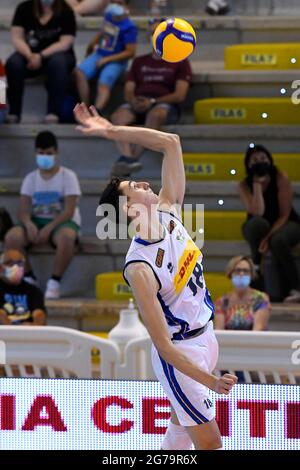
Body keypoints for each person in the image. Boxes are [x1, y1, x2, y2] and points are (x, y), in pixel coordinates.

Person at [74, 103, 237, 450]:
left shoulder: (169, 210)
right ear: (131, 209)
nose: (147, 182)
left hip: (206, 338)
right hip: (180, 356)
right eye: (136, 186)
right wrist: (209, 381)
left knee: (180, 432)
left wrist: (111, 131)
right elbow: (162, 344)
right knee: (211, 444)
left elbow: (170, 141)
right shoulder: (140, 268)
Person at [5, 131, 81, 300]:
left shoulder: (68, 176)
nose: (44, 157)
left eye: (49, 153)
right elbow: (23, 210)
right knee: (12, 237)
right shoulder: (30, 179)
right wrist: (29, 224)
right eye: (41, 153)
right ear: (35, 153)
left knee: (67, 238)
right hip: (36, 221)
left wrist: (50, 226)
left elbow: (69, 210)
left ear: (56, 153)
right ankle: (28, 277)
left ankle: (55, 281)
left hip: (62, 222)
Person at [111, 17, 192, 176]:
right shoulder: (139, 61)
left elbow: (180, 95)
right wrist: (133, 101)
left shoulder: (180, 61)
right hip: (140, 101)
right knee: (118, 116)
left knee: (156, 115)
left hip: (163, 104)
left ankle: (131, 158)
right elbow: (129, 89)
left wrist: (153, 101)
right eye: (152, 33)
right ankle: (128, 158)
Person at [239, 144, 300, 303]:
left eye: (263, 159)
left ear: (270, 160)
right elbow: (257, 212)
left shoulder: (280, 176)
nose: (260, 162)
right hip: (258, 227)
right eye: (255, 160)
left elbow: (284, 214)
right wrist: (257, 185)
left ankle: (296, 287)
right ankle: (257, 268)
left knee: (278, 240)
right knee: (257, 224)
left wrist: (268, 237)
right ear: (248, 164)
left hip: (286, 223)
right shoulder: (244, 184)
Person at [5, 0, 77, 124]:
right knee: (13, 63)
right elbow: (17, 37)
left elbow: (65, 42)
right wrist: (30, 55)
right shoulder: (23, 8)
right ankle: (13, 112)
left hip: (55, 55)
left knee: (58, 63)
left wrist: (41, 55)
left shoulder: (66, 11)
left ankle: (53, 112)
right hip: (29, 55)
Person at [74, 0, 137, 112]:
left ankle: (97, 111)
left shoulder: (129, 27)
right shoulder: (109, 16)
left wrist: (106, 60)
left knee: (104, 82)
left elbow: (130, 52)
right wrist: (92, 44)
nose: (116, 6)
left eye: (120, 3)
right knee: (79, 72)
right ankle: (85, 107)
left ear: (127, 7)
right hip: (100, 53)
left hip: (117, 59)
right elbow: (103, 32)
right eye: (114, 2)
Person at [214, 256, 271, 331]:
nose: (241, 273)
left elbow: (257, 331)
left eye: (246, 271)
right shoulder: (221, 302)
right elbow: (219, 331)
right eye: (238, 270)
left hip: (253, 342)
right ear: (231, 273)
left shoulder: (260, 299)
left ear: (251, 274)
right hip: (227, 342)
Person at [0, 249, 46, 325]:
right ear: (1, 268)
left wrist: (34, 328)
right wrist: (15, 331)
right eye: (10, 263)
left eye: (19, 263)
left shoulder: (33, 291)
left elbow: (39, 314)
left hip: (29, 333)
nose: (15, 266)